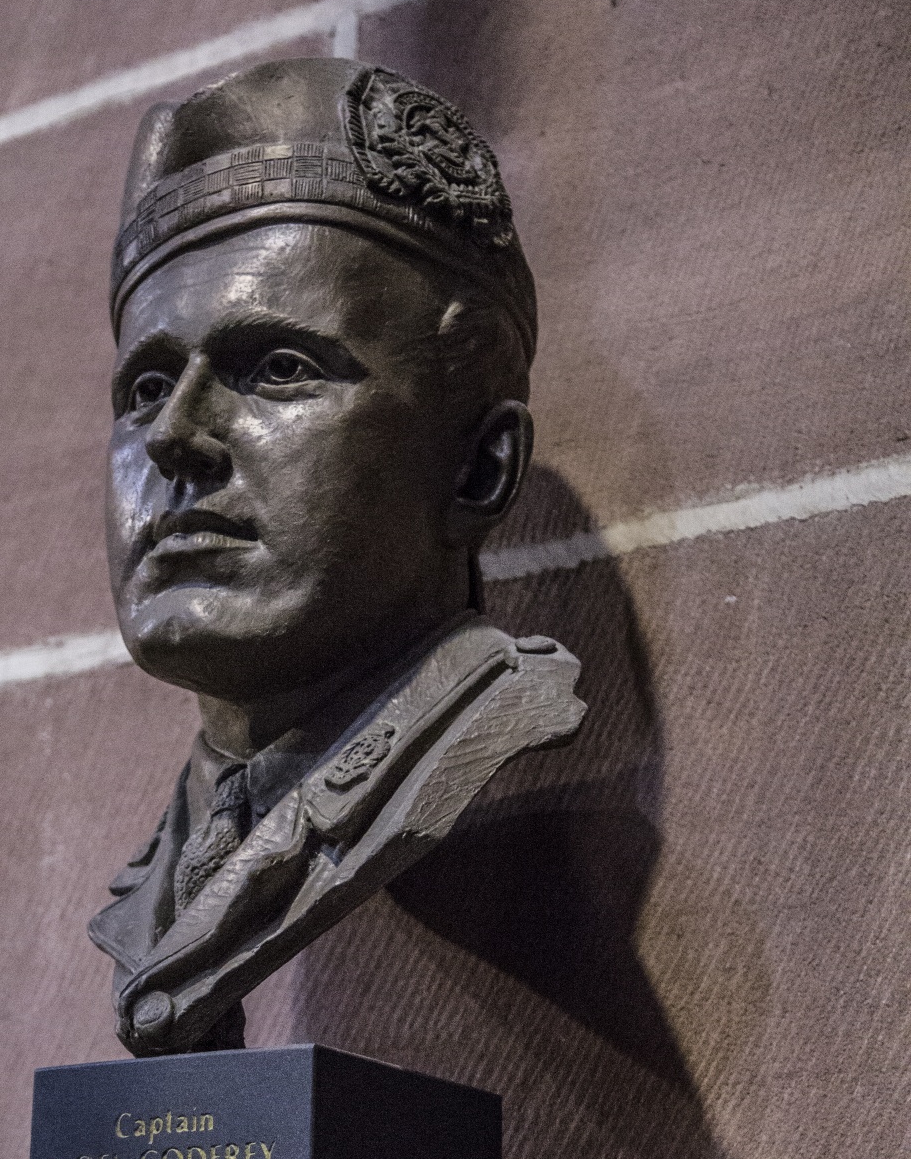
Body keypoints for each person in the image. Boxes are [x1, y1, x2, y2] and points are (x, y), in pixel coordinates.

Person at [89, 57, 584, 1056]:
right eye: (142, 388)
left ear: (476, 467)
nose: (171, 438)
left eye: (276, 368)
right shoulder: (153, 885)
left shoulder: (479, 748)